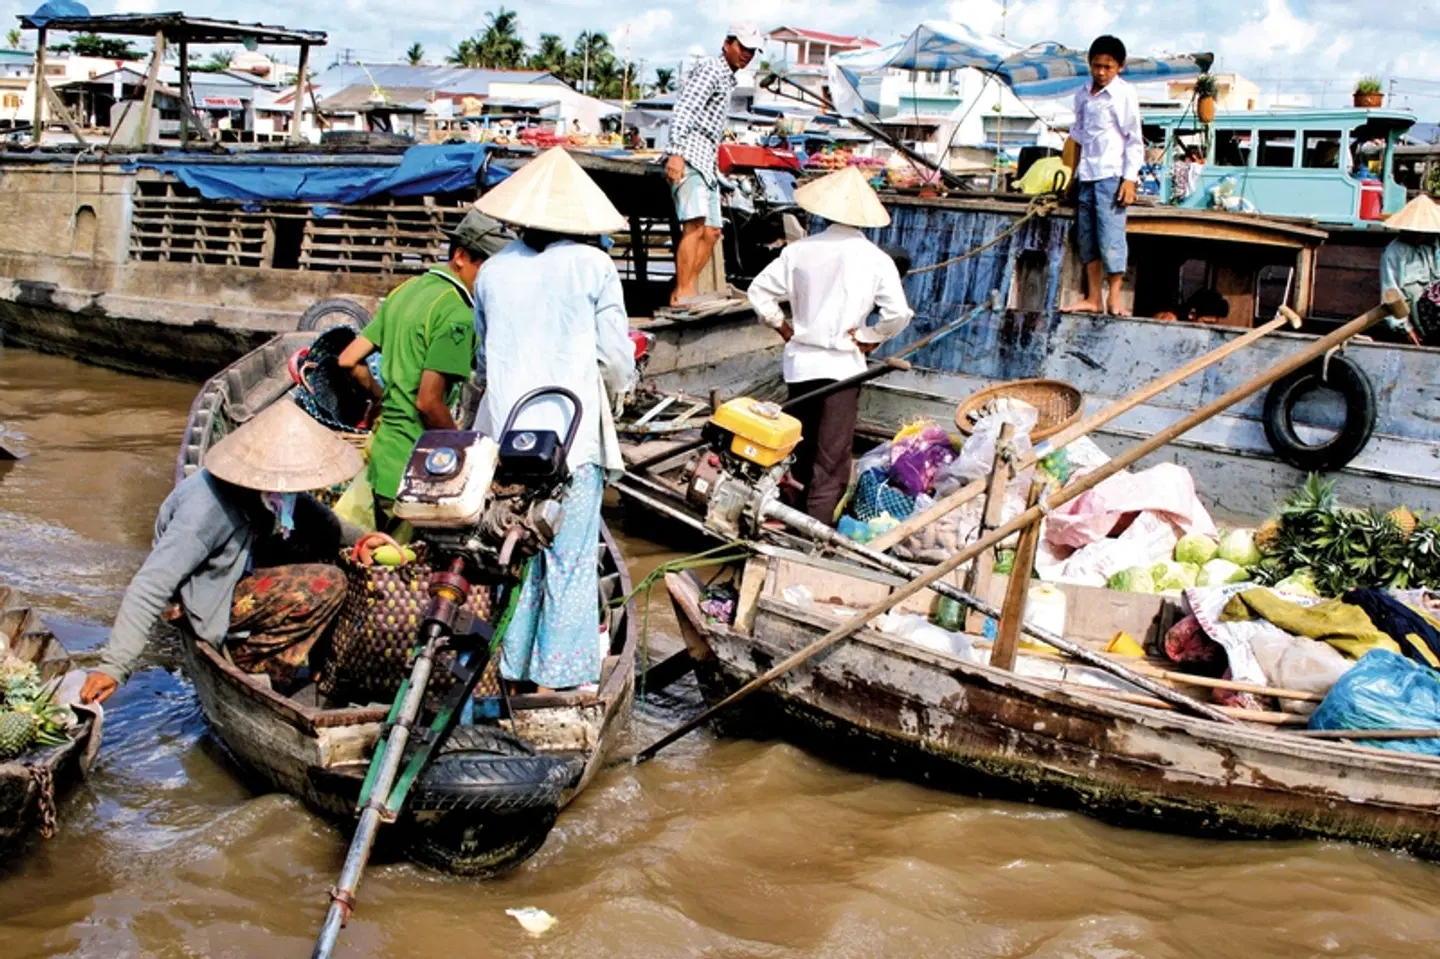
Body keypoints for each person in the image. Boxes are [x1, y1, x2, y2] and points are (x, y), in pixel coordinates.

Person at [470, 147, 636, 691]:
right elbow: (616, 359)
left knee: (512, 551)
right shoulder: (594, 265)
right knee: (568, 558)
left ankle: (512, 669)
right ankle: (559, 680)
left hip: (505, 439)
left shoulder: (492, 271)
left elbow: (482, 357)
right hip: (572, 440)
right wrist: (620, 392)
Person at [79, 402, 364, 705]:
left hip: (236, 565)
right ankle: (252, 662)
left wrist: (361, 540)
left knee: (327, 551)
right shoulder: (204, 514)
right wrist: (114, 667)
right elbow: (150, 586)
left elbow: (312, 516)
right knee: (327, 583)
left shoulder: (266, 494)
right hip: (202, 594)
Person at [747, 165, 914, 525]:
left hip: (801, 364)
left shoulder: (800, 251)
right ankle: (813, 531)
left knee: (797, 446)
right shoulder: (876, 259)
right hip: (842, 369)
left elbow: (758, 292)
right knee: (831, 458)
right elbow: (898, 314)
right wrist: (869, 338)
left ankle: (786, 513)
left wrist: (783, 328)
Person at [338, 210, 513, 526]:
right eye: (487, 268)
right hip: (417, 470)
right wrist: (464, 450)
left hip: (382, 459)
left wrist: (379, 398)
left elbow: (349, 359)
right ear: (460, 257)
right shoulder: (458, 314)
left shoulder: (406, 290)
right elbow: (428, 402)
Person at [663, 21, 763, 306]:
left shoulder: (728, 78)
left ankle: (685, 289)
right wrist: (676, 152)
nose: (747, 55)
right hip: (690, 153)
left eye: (752, 51)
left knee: (712, 232)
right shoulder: (710, 69)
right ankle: (683, 293)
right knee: (693, 227)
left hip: (707, 160)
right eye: (743, 48)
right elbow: (685, 109)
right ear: (727, 44)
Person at [1063, 35, 1144, 316]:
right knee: (1088, 239)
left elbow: (1134, 139)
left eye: (1108, 67)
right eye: (1097, 66)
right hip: (1087, 174)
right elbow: (1078, 137)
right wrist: (1072, 176)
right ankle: (1094, 297)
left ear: (1119, 67)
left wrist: (1130, 179)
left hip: (1111, 175)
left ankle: (1115, 299)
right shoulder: (1082, 94)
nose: (1101, 72)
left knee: (1111, 238)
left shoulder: (1124, 94)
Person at [1380, 194, 1440, 344]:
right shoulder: (1394, 253)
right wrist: (1406, 329)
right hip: (1417, 326)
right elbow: (1390, 293)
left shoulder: (1435, 246)